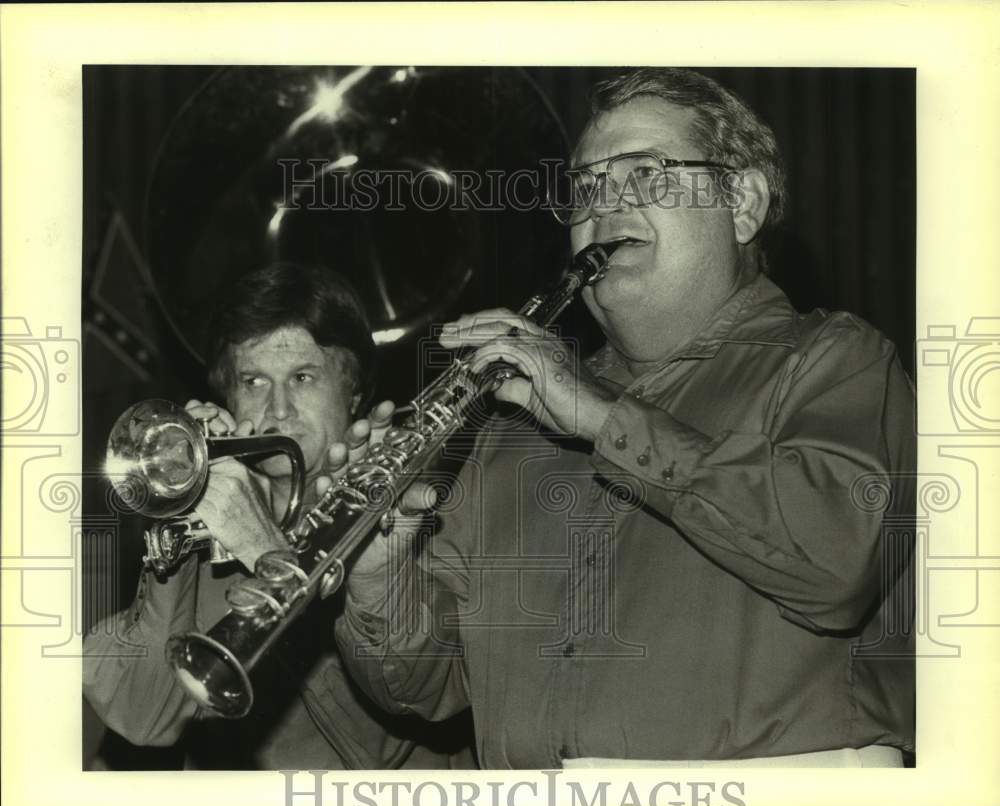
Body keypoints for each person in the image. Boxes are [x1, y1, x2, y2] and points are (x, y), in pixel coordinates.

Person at [333, 68, 916, 769]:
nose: (605, 205)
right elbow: (431, 687)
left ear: (743, 204)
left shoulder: (835, 359)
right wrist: (379, 575)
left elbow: (833, 563)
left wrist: (601, 417)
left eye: (645, 174)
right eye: (586, 187)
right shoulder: (515, 427)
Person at [83, 261, 474, 769]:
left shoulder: (418, 503)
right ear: (228, 394)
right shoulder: (211, 519)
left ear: (354, 392)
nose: (279, 409)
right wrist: (178, 516)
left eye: (303, 377)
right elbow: (144, 718)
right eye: (253, 381)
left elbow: (422, 701)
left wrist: (265, 550)